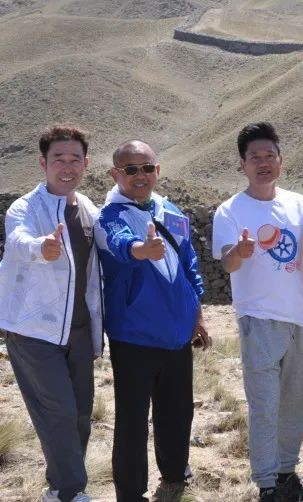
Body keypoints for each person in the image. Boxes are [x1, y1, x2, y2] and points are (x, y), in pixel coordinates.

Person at [212, 122, 303, 502]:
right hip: (258, 319)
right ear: (243, 164)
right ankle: (267, 484)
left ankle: (287, 474)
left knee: (297, 402)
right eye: (255, 157)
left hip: (299, 319)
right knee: (265, 404)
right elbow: (227, 264)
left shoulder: (297, 203)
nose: (263, 163)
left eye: (269, 155)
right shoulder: (230, 210)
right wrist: (241, 252)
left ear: (280, 161)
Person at [94, 140, 210, 502]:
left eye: (147, 168)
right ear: (116, 175)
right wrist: (140, 250)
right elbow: (118, 243)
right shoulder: (108, 216)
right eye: (131, 170)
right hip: (135, 335)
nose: (140, 176)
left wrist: (198, 312)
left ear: (157, 171)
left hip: (177, 331)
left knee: (177, 409)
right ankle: (130, 492)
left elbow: (189, 261)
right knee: (132, 418)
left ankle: (175, 472)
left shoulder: (169, 209)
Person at [0, 125, 103, 502]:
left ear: (86, 164)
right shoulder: (26, 207)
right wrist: (40, 247)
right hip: (32, 331)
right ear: (43, 163)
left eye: (75, 159)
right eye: (58, 158)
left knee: (79, 413)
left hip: (77, 330)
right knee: (58, 411)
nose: (67, 166)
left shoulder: (89, 208)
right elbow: (17, 240)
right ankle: (70, 492)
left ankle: (59, 485)